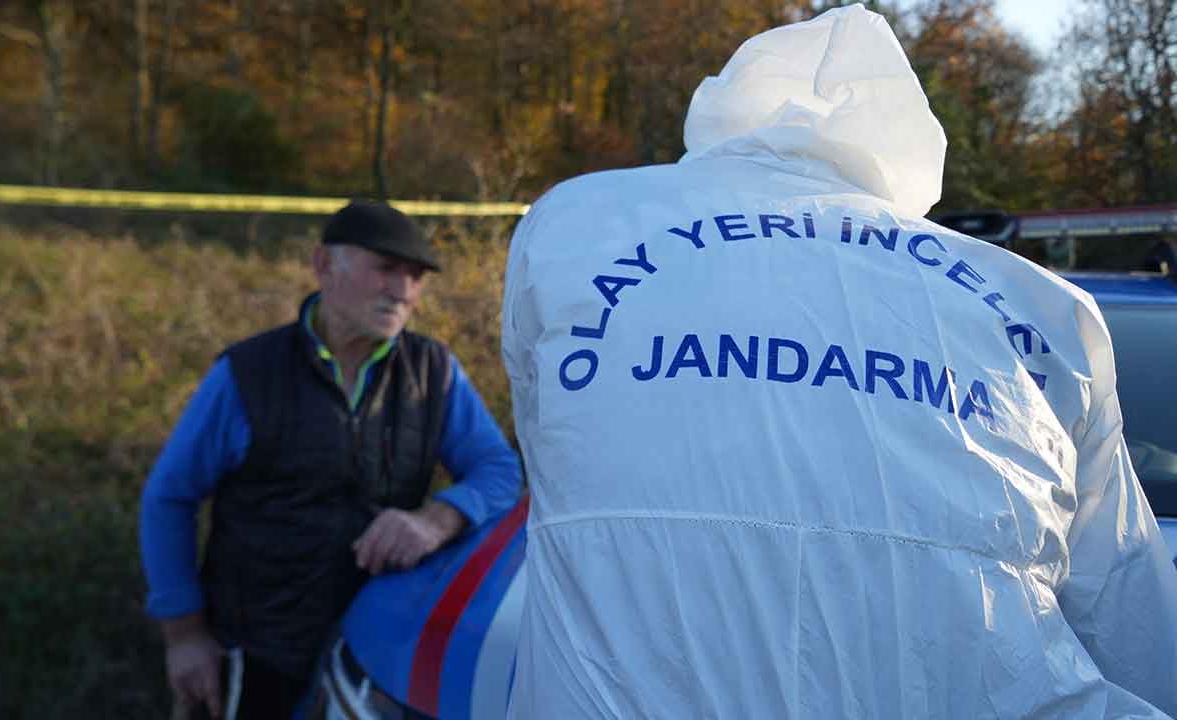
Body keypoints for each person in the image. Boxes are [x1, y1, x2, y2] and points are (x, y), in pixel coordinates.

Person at [501, 6, 1177, 719]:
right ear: (905, 154)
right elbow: (1130, 619)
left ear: (723, 121)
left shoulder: (575, 225)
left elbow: (548, 440)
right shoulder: (1041, 305)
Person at [139, 200, 523, 719]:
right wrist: (184, 634)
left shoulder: (434, 372)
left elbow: (500, 469)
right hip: (253, 648)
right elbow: (168, 498)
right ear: (324, 265)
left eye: (415, 277)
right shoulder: (247, 374)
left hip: (373, 655)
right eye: (386, 269)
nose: (404, 291)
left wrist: (436, 519)